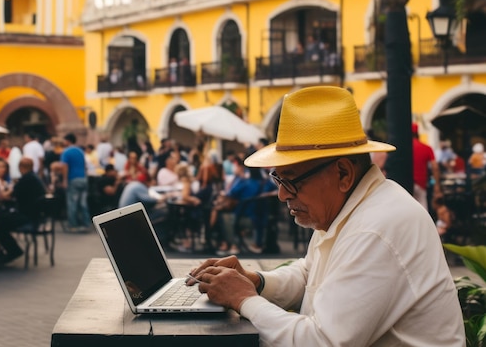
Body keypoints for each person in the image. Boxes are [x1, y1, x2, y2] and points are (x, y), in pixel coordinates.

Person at [187, 86, 464, 346]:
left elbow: (322, 341)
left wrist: (243, 298)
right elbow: (311, 273)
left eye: (292, 181)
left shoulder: (375, 228)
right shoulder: (353, 207)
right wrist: (256, 281)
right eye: (278, 180)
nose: (283, 195)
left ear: (343, 174)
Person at [0, 157, 46, 264]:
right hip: (35, 216)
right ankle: (7, 250)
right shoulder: (34, 178)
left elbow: (8, 196)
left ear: (20, 168)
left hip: (26, 216)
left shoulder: (25, 179)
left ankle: (13, 250)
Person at [60, 133, 90, 232]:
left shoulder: (66, 152)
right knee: (83, 203)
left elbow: (65, 167)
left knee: (72, 203)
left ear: (68, 141)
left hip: (73, 179)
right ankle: (86, 224)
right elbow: (85, 165)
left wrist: (64, 180)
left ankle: (73, 225)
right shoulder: (80, 151)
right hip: (83, 179)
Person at [412, 122, 441, 212]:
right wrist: (437, 185)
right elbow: (435, 167)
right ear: (417, 133)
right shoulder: (426, 148)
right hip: (421, 183)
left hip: (406, 182)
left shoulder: (403, 148)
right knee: (423, 209)